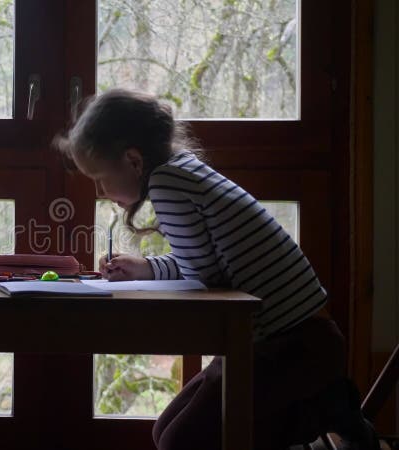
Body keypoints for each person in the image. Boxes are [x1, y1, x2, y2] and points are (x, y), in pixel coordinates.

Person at [55, 88, 377, 450]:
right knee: (165, 433)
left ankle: (325, 407)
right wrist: (146, 268)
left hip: (294, 346)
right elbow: (206, 264)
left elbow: (202, 279)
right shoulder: (182, 170)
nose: (100, 190)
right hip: (292, 340)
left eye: (99, 177)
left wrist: (154, 277)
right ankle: (323, 406)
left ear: (133, 160)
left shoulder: (167, 183)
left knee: (182, 441)